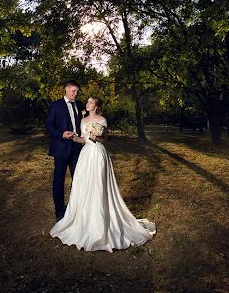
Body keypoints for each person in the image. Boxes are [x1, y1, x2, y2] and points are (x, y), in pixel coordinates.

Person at [50, 96, 156, 252]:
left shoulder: (102, 119)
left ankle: (101, 221)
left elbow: (104, 138)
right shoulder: (83, 120)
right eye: (87, 101)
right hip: (85, 156)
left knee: (99, 184)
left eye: (91, 102)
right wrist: (73, 137)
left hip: (98, 155)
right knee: (84, 185)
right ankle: (84, 219)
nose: (87, 103)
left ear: (96, 106)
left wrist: (96, 135)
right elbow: (83, 140)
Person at [46, 79, 85, 221]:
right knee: (59, 180)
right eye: (73, 91)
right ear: (66, 89)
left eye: (77, 91)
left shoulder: (80, 105)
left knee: (79, 179)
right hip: (61, 148)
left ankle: (76, 208)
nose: (75, 94)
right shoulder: (55, 106)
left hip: (77, 148)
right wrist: (61, 134)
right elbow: (49, 127)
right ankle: (60, 212)